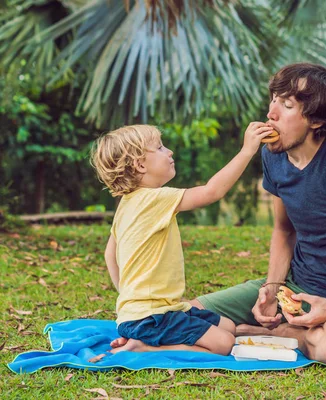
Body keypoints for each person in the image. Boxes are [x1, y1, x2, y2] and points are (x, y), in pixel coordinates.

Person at [188, 63, 326, 364]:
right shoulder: (274, 155)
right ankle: (293, 332)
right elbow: (285, 230)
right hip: (292, 294)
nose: (271, 113)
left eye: (287, 105)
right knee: (186, 315)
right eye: (273, 100)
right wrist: (271, 290)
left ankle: (268, 334)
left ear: (316, 119)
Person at [90, 123, 274, 355]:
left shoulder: (127, 205)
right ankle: (143, 347)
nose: (169, 152)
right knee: (224, 344)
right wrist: (247, 150)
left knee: (228, 326)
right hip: (152, 317)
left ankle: (143, 337)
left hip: (154, 312)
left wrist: (129, 300)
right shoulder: (154, 198)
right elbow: (211, 192)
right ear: (140, 164)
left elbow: (110, 255)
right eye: (159, 148)